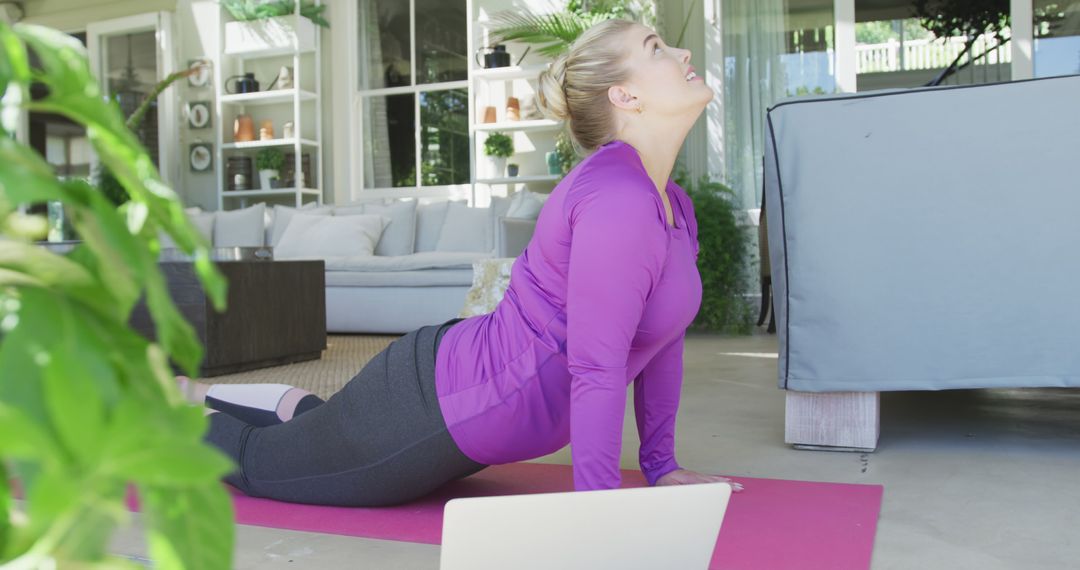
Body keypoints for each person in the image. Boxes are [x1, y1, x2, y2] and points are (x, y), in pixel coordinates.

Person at [188, 18, 743, 507]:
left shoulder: (670, 202)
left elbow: (661, 341)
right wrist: (599, 516)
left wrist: (662, 467)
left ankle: (292, 417)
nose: (682, 54)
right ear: (624, 96)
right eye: (656, 47)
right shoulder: (616, 197)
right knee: (258, 464)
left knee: (318, 431)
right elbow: (597, 367)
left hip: (463, 399)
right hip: (435, 403)